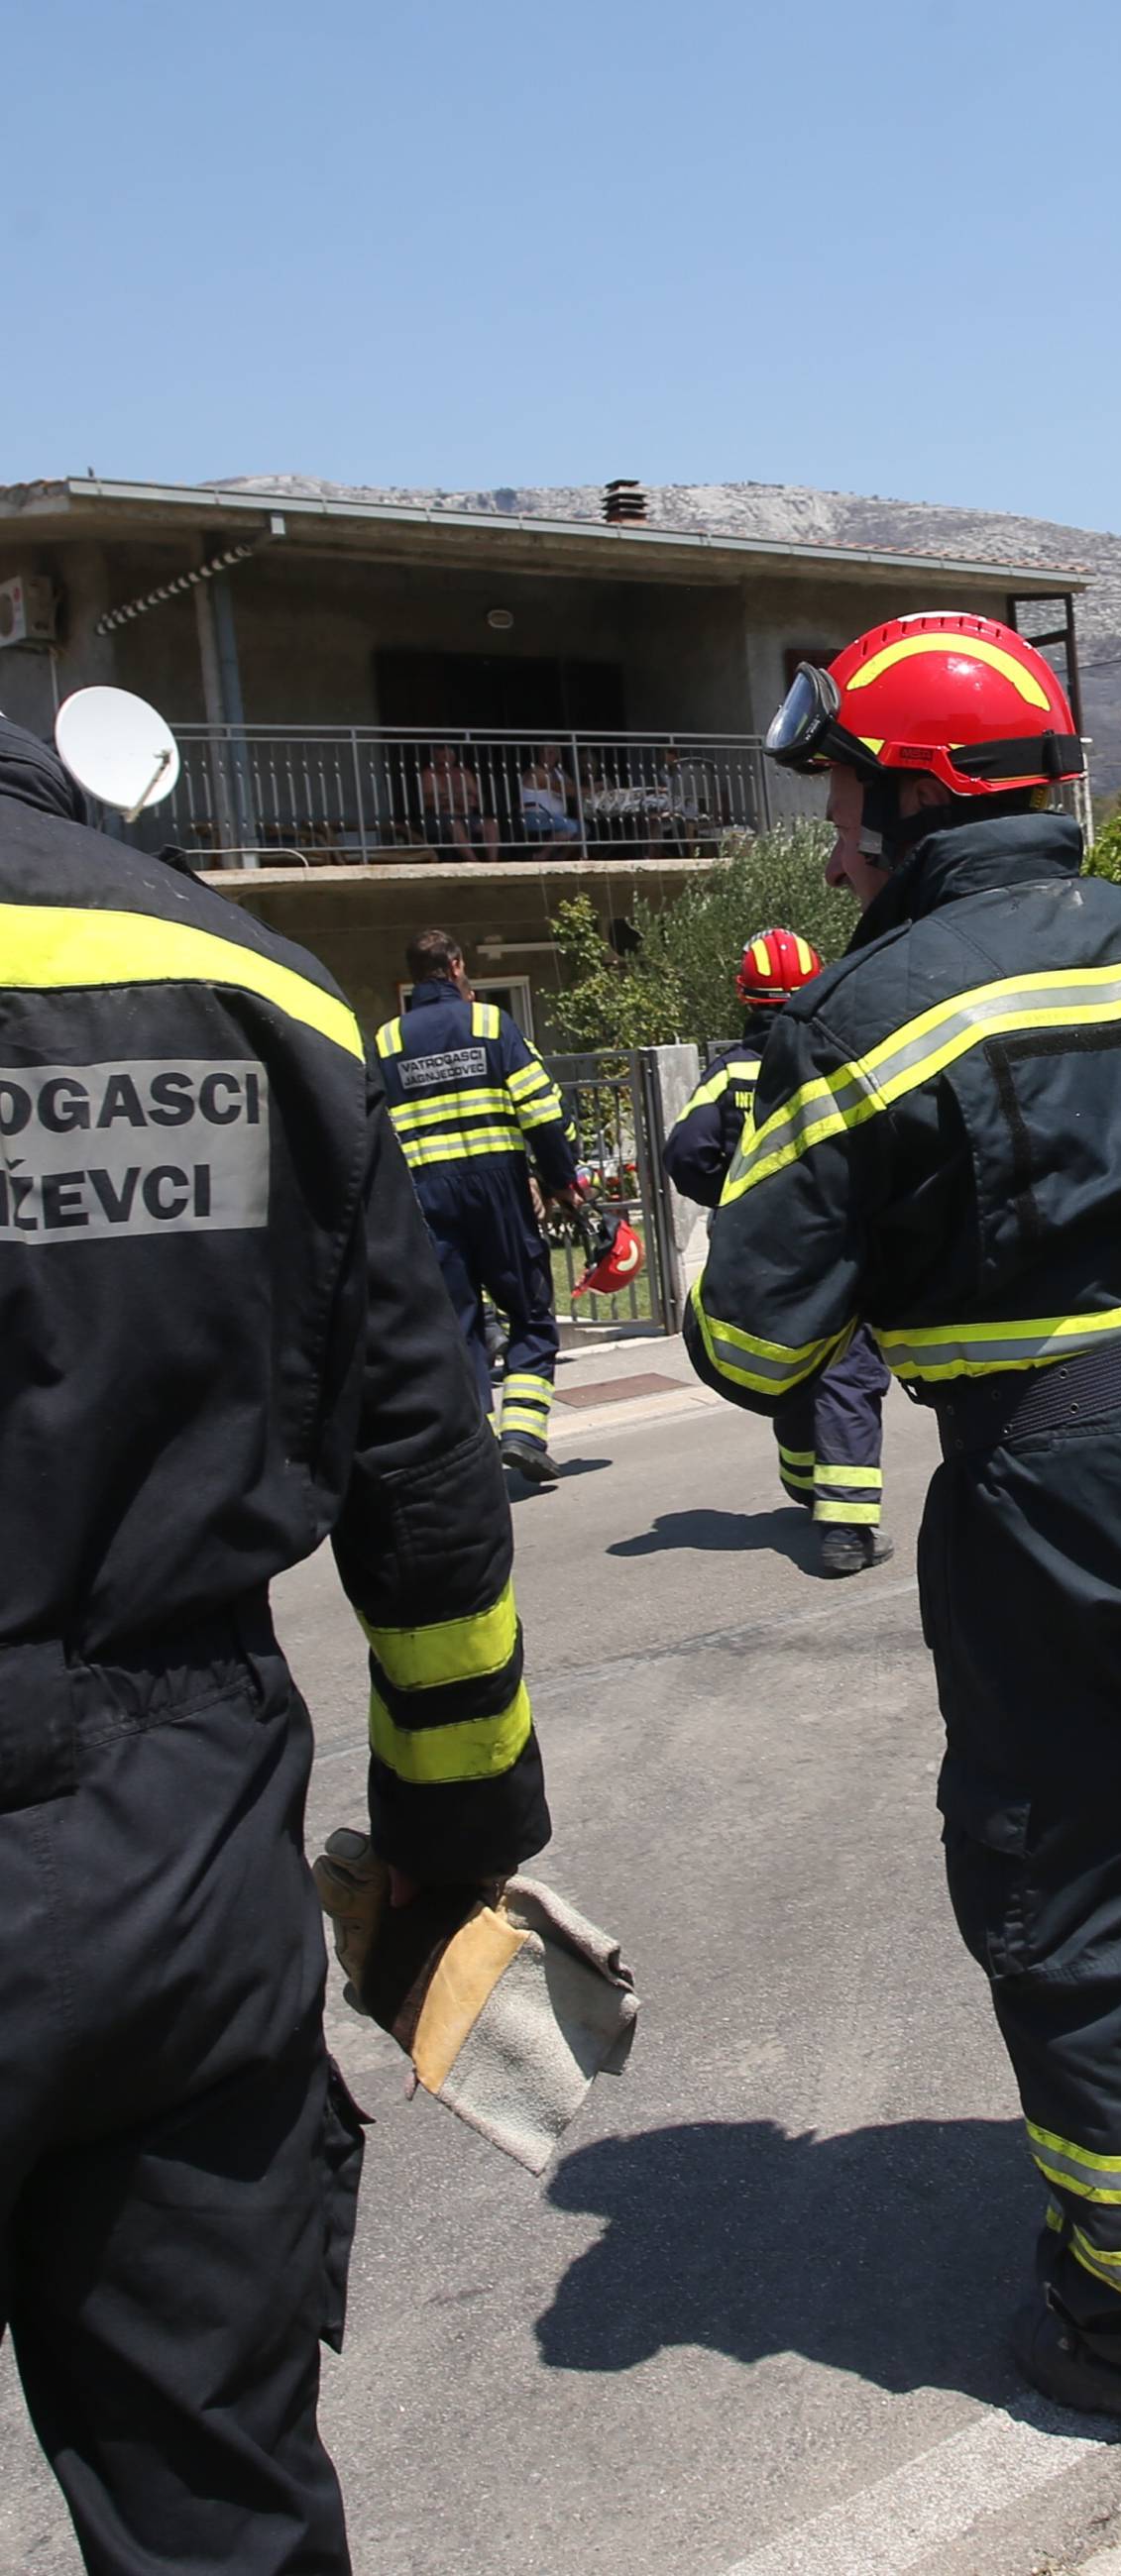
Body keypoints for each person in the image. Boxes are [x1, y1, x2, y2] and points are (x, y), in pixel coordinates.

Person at [684, 615, 1121, 2452]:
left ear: (914, 800)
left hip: (1049, 1507)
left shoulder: (865, 1020)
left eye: (844, 794)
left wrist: (763, 1128)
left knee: (1081, 1904)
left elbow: (749, 1341)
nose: (834, 837)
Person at [0, 715, 551, 2571]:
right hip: (174, 1863)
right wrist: (454, 1844)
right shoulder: (246, 984)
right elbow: (427, 1483)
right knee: (217, 2499)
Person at [663, 927, 893, 1576]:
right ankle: (846, 1527)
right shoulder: (836, 1060)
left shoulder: (730, 1071)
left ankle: (805, 1480)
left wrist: (734, 1198)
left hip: (760, 1252)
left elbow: (686, 1154)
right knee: (848, 1370)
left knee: (785, 1357)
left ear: (745, 997)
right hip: (834, 1242)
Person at [376, 932, 584, 1486]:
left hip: (427, 1199)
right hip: (498, 1191)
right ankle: (521, 1431)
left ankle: (475, 1446)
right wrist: (562, 1179)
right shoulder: (491, 1024)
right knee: (531, 1313)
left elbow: (370, 1131)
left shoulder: (387, 1040)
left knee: (457, 1325)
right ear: (456, 967)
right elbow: (542, 1110)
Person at [418, 742, 500, 861]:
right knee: (455, 824)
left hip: (468, 816)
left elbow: (479, 798)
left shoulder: (464, 773)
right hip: (440, 818)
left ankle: (493, 863)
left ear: (452, 758)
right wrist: (455, 801)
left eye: (444, 757)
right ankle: (474, 863)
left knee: (491, 824)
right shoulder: (428, 775)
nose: (441, 761)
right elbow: (427, 802)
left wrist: (474, 802)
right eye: (437, 757)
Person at [519, 744, 583, 844]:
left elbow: (573, 790)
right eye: (542, 753)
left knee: (584, 828)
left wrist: (591, 789)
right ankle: (541, 855)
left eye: (550, 753)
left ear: (557, 755)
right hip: (534, 817)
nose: (545, 756)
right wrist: (590, 789)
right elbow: (562, 788)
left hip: (555, 818)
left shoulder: (559, 772)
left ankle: (560, 857)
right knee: (570, 827)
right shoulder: (536, 772)